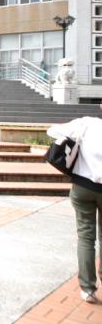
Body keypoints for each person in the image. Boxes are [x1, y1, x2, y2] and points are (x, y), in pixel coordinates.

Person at [47, 115, 102, 303]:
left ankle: (88, 289)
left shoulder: (87, 124)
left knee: (86, 237)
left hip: (83, 187)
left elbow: (52, 130)